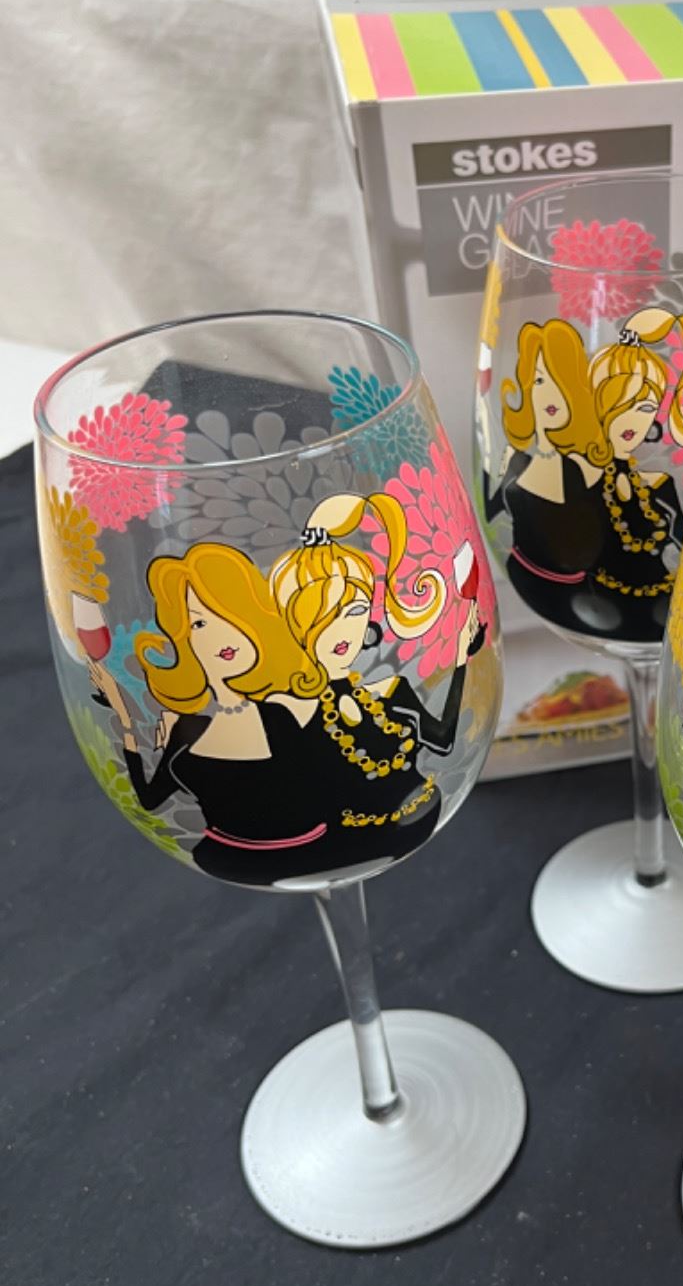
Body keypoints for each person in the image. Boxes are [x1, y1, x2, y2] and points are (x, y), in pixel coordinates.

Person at [91, 541, 331, 887]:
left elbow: (328, 782)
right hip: (225, 856)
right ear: (183, 639)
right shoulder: (188, 728)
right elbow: (148, 799)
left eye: (228, 614)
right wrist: (125, 719)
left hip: (318, 850)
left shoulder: (281, 713)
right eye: (200, 623)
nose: (221, 634)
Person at [269, 492, 479, 873]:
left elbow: (443, 738)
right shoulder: (285, 710)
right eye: (323, 614)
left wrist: (461, 656)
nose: (341, 629)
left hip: (419, 817)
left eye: (355, 610)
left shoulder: (391, 691)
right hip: (336, 849)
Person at [574, 307, 683, 642]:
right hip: (598, 610)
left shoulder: (660, 485)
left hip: (671, 610)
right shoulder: (580, 479)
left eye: (645, 408)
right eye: (621, 405)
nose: (632, 420)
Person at [486, 319, 607, 627]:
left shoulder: (582, 467)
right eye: (540, 380)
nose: (551, 393)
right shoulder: (512, 459)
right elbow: (491, 516)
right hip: (528, 585)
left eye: (559, 379)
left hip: (587, 599)